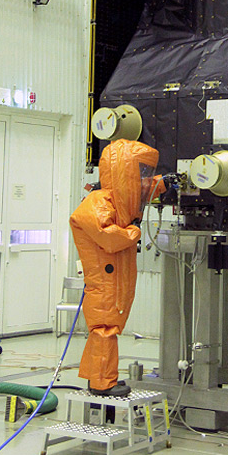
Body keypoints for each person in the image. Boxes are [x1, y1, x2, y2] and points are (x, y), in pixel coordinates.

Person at [69, 138, 161, 396]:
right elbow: (109, 238)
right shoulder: (97, 203)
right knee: (104, 328)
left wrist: (166, 183)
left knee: (110, 327)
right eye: (141, 171)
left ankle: (100, 377)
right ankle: (101, 383)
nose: (144, 179)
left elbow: (144, 189)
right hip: (103, 283)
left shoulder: (121, 204)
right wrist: (133, 232)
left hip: (117, 280)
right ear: (125, 170)